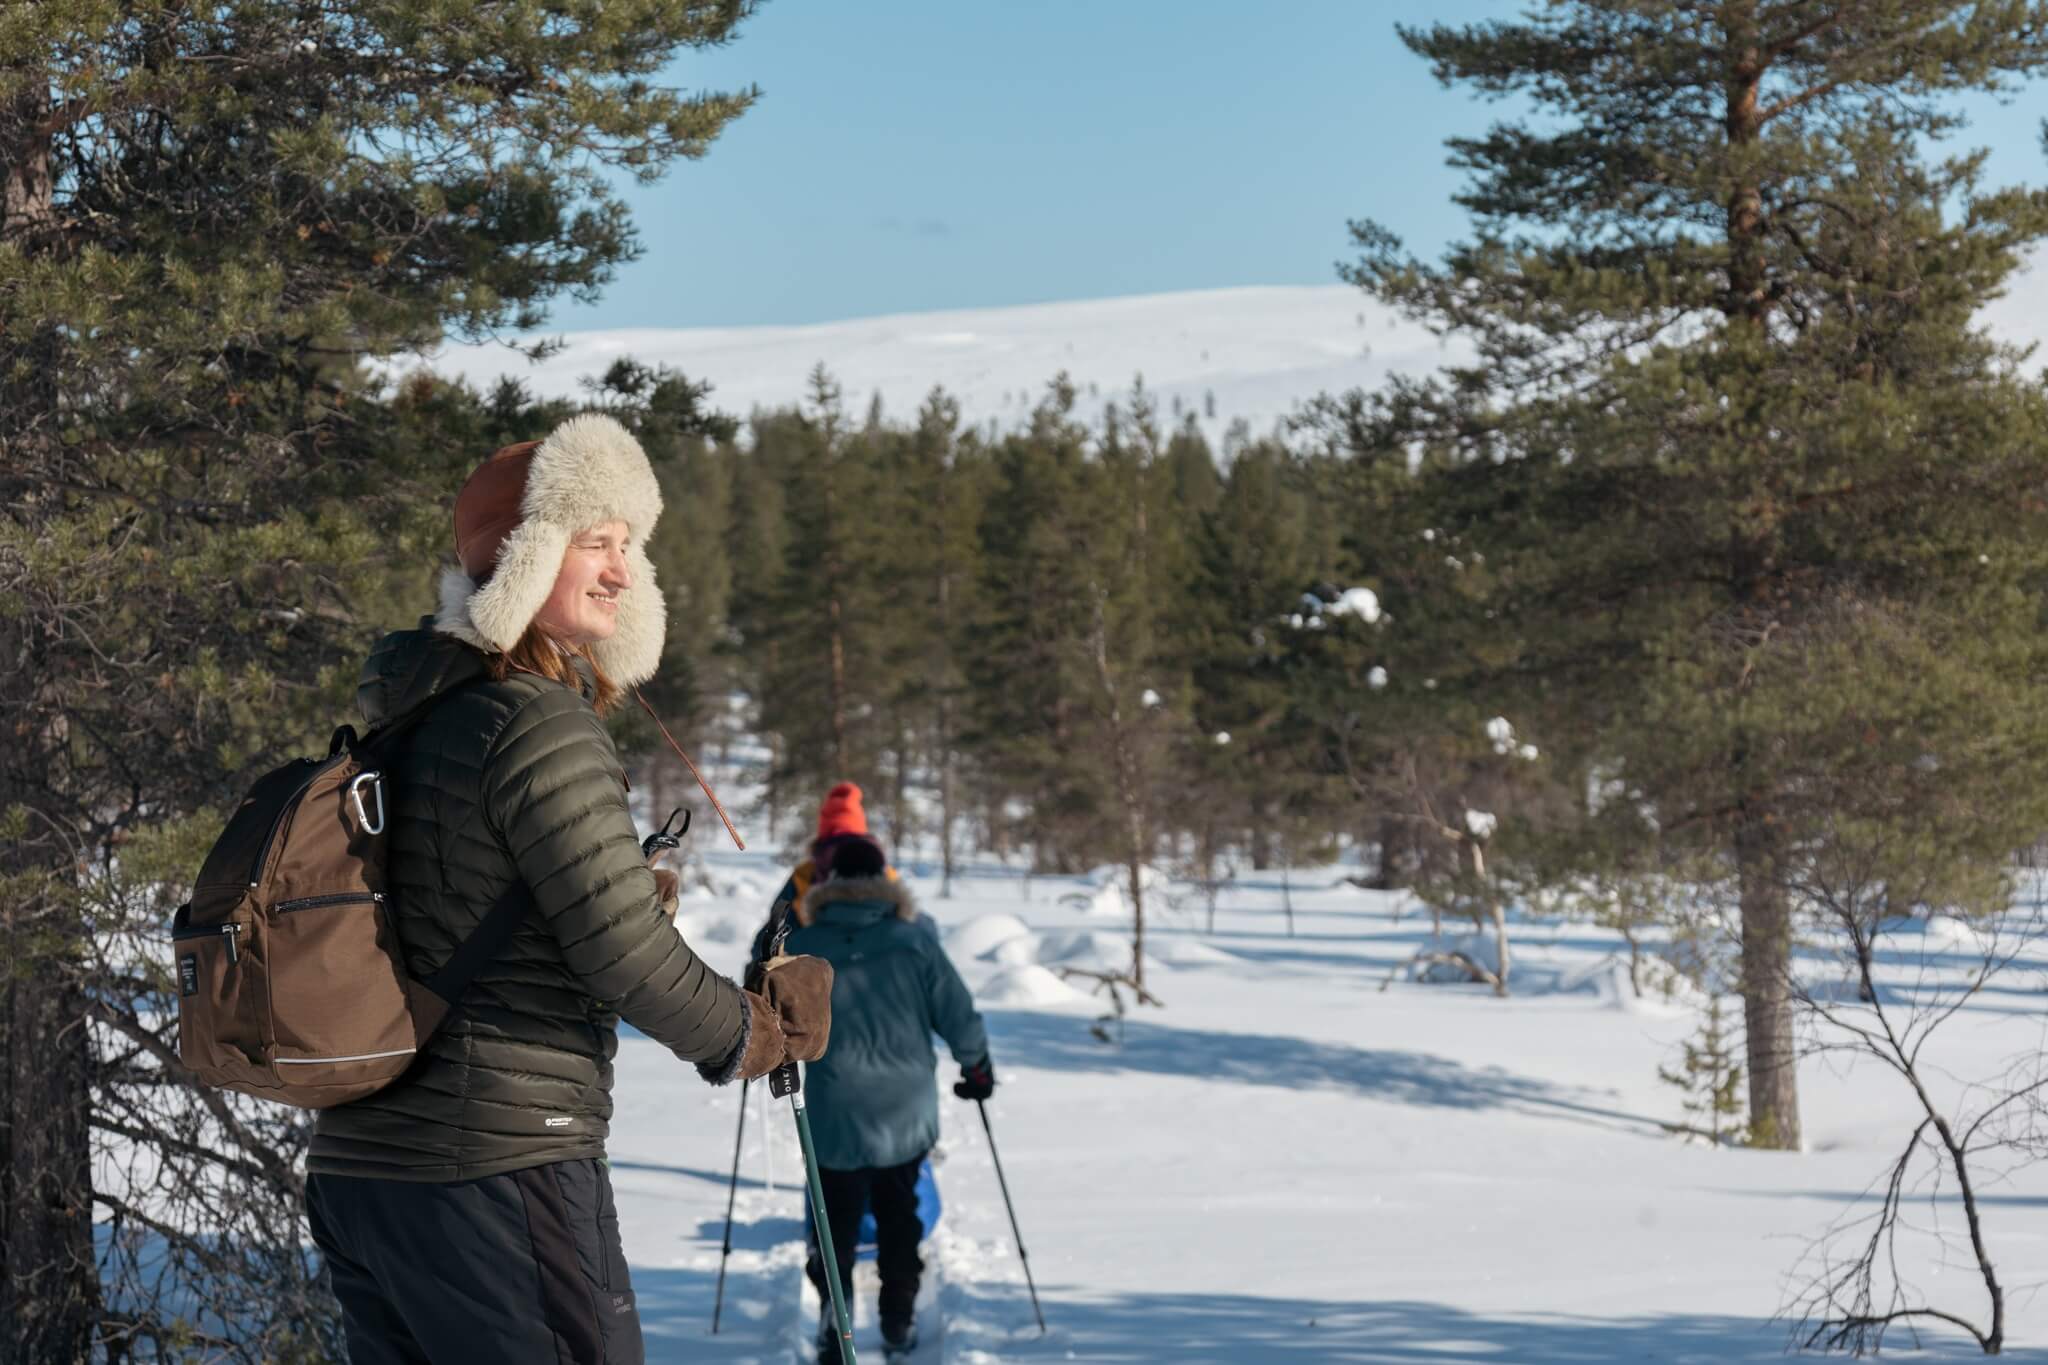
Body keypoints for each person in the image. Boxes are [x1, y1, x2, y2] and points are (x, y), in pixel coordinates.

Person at [304, 414, 834, 1365]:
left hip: (364, 1176)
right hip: (500, 1167)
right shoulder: (536, 724)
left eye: (629, 546)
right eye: (597, 541)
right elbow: (623, 952)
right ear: (524, 554)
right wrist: (757, 1031)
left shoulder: (415, 717)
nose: (623, 572)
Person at [782, 833, 992, 1362]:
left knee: (833, 1223)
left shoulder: (806, 945)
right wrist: (976, 1066)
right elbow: (958, 1013)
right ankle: (898, 1316)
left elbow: (774, 1013)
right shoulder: (915, 940)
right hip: (904, 1112)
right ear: (884, 880)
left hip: (833, 1112)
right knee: (900, 1217)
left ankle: (836, 1322)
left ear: (829, 882)